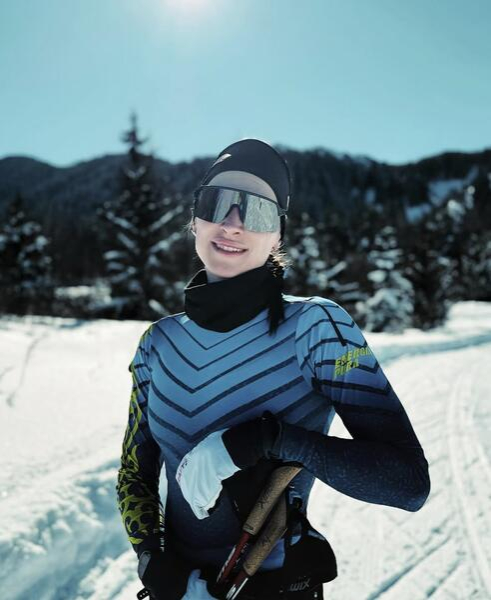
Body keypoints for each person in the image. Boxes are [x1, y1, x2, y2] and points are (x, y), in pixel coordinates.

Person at [116, 138, 431, 600]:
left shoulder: (317, 327)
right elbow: (134, 472)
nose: (232, 224)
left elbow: (408, 484)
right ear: (195, 219)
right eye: (216, 203)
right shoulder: (157, 343)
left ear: (278, 235)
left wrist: (267, 440)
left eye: (257, 211)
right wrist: (154, 562)